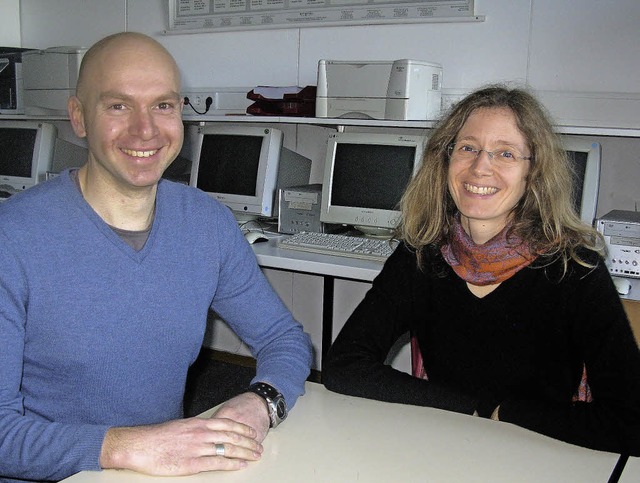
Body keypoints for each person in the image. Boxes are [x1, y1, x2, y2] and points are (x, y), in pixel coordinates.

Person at [0, 32, 312, 482]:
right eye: (118, 106)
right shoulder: (13, 238)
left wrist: (260, 402)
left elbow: (283, 338)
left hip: (159, 472)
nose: (145, 130)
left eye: (163, 106)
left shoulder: (206, 223)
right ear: (79, 118)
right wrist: (126, 445)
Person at [323, 85, 640, 455]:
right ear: (446, 160)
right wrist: (467, 409)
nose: (480, 167)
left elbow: (631, 422)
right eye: (468, 148)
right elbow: (344, 364)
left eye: (505, 153)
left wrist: (506, 413)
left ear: (532, 173)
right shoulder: (421, 255)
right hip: (449, 443)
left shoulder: (576, 270)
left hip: (549, 453)